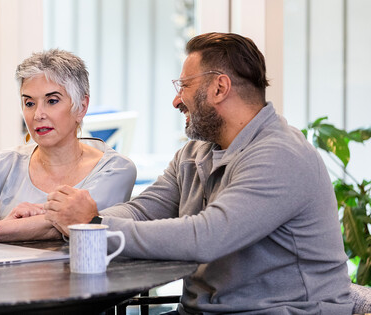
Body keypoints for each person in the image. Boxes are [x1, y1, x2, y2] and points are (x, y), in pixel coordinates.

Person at [44, 33, 353, 314]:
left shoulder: (280, 155)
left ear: (219, 87)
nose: (176, 100)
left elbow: (206, 237)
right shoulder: (196, 153)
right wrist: (73, 215)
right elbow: (142, 211)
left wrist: (94, 225)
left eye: (184, 86)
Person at [0, 49, 137, 243]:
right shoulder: (4, 163)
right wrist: (7, 225)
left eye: (52, 101)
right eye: (29, 103)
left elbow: (73, 223)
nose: (38, 114)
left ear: (81, 107)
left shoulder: (115, 169)